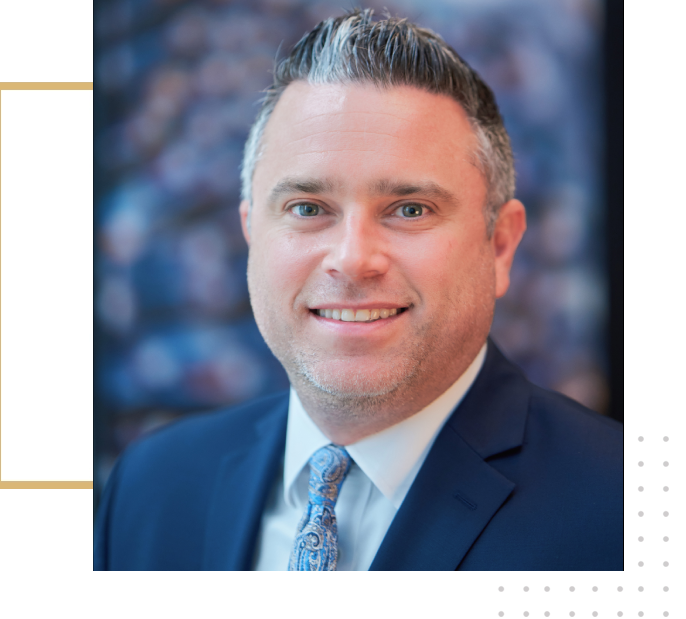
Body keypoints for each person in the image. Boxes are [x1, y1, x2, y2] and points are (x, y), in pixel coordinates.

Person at [94, 8, 622, 575]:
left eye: (410, 209)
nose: (352, 259)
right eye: (307, 208)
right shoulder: (150, 488)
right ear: (253, 234)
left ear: (499, 245)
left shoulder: (643, 508)